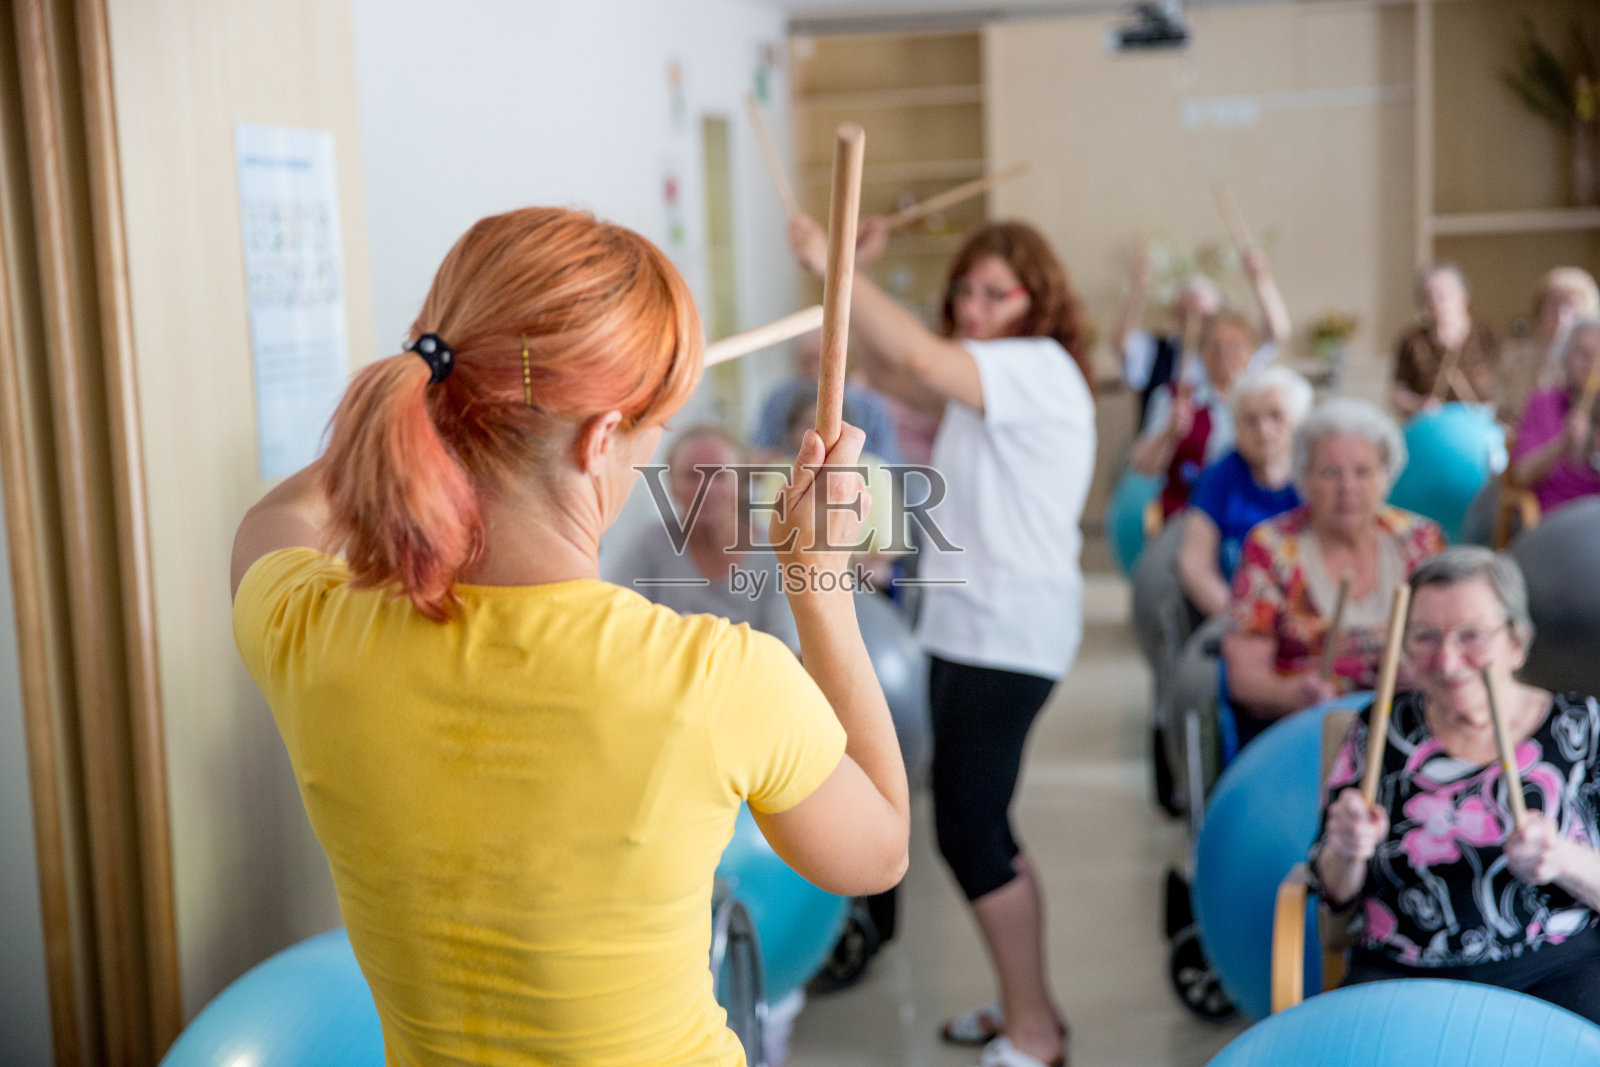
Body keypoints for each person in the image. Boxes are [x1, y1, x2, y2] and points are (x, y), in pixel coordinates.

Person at [229, 207, 910, 1066]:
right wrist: (821, 584)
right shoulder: (715, 678)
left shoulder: (311, 631)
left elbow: (274, 521)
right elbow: (880, 850)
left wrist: (425, 404)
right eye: (653, 430)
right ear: (600, 441)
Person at [787, 214, 1094, 1067]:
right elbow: (891, 372)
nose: (974, 305)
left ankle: (1034, 1029)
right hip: (970, 628)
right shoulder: (988, 381)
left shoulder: (1037, 365)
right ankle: (1027, 1006)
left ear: (1039, 300)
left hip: (1009, 633)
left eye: (997, 291)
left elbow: (919, 360)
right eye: (964, 290)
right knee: (975, 823)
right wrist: (843, 275)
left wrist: (836, 265)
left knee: (970, 828)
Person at [1309, 547, 1600, 1024]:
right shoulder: (1378, 730)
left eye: (1472, 635)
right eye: (1425, 636)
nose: (1446, 660)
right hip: (1403, 973)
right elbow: (1333, 892)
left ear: (1516, 642)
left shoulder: (1582, 727)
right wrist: (1346, 849)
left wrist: (1562, 858)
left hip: (1556, 967)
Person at [1224, 398, 1445, 748]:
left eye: (1363, 472)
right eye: (1330, 473)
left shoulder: (1421, 541)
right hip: (1306, 732)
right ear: (1304, 478)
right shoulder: (1271, 548)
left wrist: (1423, 671)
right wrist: (1291, 694)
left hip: (1410, 727)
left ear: (1386, 476)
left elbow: (1455, 641)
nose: (1348, 487)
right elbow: (1244, 678)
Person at [606, 425, 799, 652]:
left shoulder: (777, 553)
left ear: (741, 483)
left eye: (719, 475)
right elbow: (619, 628)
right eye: (692, 476)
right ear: (672, 486)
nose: (706, 489)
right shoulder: (649, 545)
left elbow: (786, 650)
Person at [1176, 365, 1312, 619]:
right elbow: (1195, 566)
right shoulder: (1218, 477)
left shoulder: (1316, 477)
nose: (1263, 429)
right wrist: (1241, 620)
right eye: (1250, 419)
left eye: (1276, 416)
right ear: (1235, 426)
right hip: (1235, 614)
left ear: (1300, 421)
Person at [1108, 239, 1291, 425]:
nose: (1194, 321)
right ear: (1174, 314)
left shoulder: (1234, 353)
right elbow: (1120, 345)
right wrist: (1137, 291)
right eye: (1186, 313)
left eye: (1204, 315)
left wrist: (1260, 279)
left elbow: (1278, 333)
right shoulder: (1158, 352)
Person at [1130, 308, 1260, 519]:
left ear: (1250, 352)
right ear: (1201, 351)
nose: (1223, 353)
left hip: (1251, 516)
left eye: (1234, 345)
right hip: (1185, 515)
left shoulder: (1264, 402)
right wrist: (1169, 432)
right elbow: (1144, 467)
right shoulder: (1175, 397)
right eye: (1214, 344)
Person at [749, 328, 902, 463]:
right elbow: (756, 455)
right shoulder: (779, 399)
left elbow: (886, 467)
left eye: (822, 360)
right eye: (807, 361)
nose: (815, 369)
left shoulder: (872, 407)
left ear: (844, 361)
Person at [1511, 317, 1600, 516]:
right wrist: (1562, 445)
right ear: (1565, 358)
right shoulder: (1543, 402)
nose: (1591, 365)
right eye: (1582, 353)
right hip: (1554, 516)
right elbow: (1522, 475)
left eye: (1597, 357)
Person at [1391, 263, 1501, 417]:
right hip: (1432, 425)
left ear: (1464, 295)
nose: (1438, 301)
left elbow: (1509, 385)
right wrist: (1419, 404)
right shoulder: (1412, 341)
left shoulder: (1489, 336)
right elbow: (1397, 393)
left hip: (1480, 424)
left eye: (1446, 293)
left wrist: (1493, 407)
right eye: (1430, 295)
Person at [1501, 267, 1600, 421]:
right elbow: (1499, 409)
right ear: (1539, 311)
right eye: (1553, 306)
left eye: (1571, 309)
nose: (1561, 317)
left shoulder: (1592, 365)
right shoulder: (1513, 356)